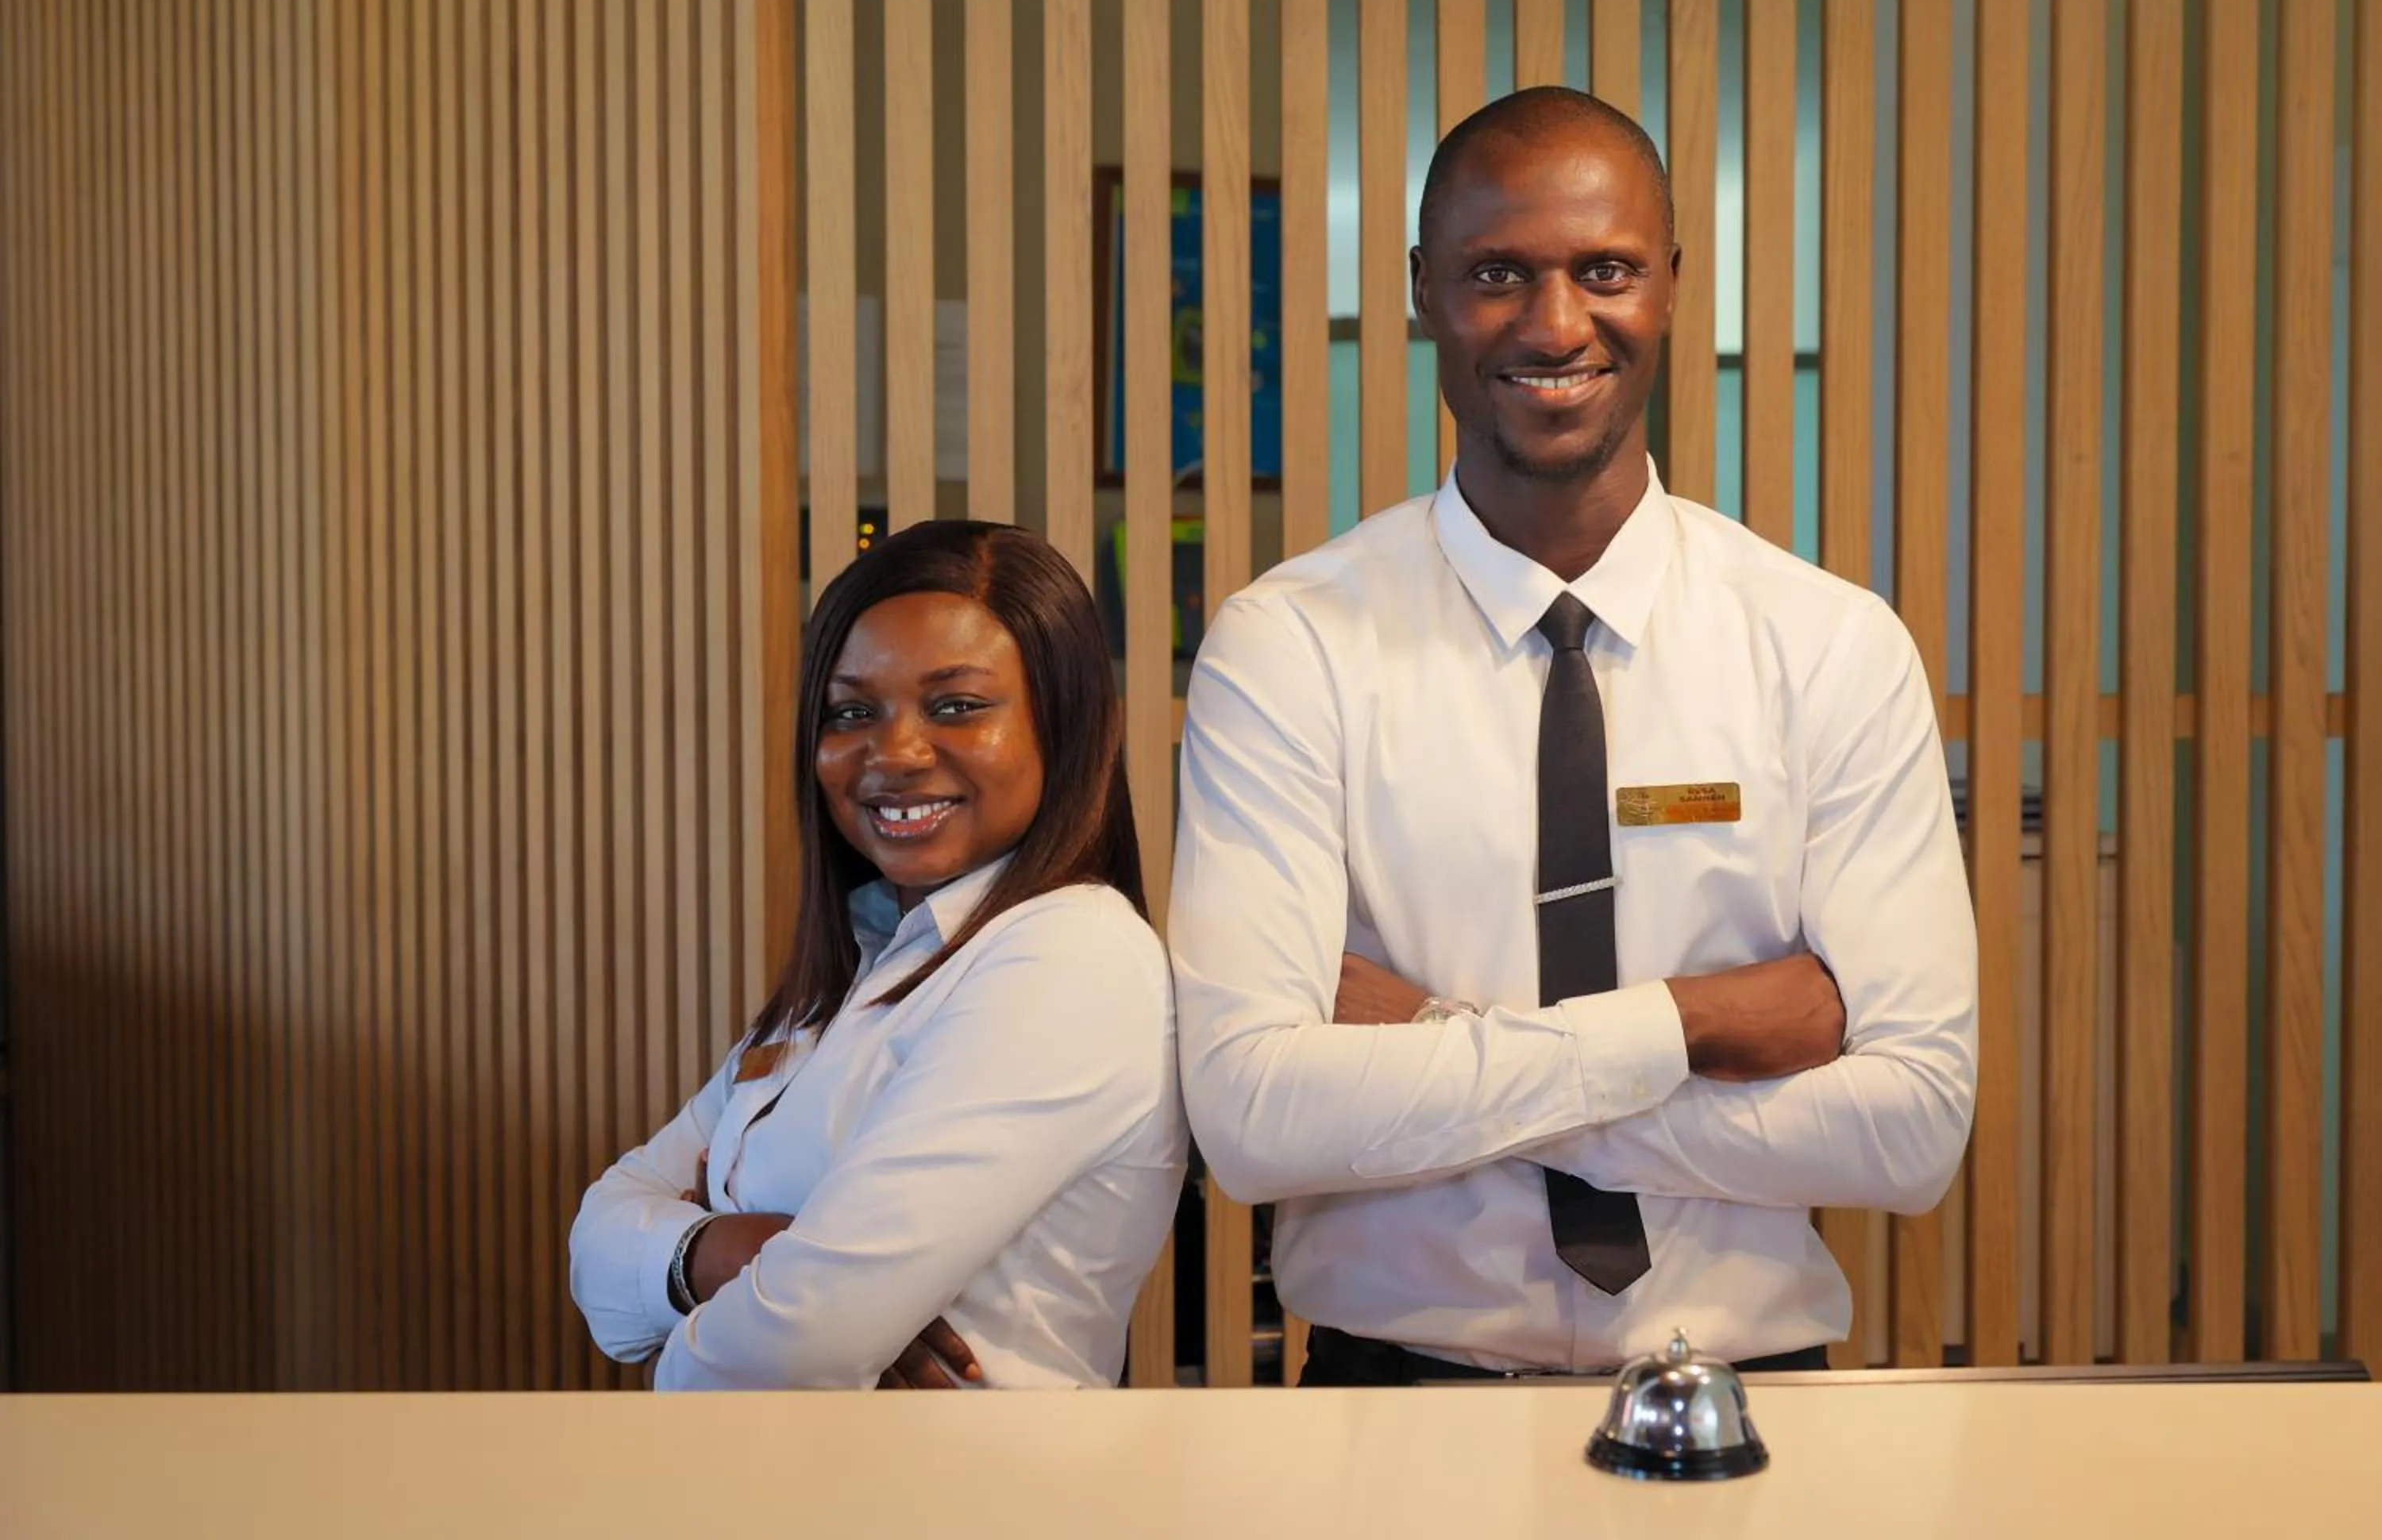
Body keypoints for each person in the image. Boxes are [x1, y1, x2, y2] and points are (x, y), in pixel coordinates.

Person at [1170, 87, 1977, 1384]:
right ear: (1424, 290)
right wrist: (1686, 1025)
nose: (1555, 324)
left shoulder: (1827, 646)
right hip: (1390, 1409)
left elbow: (1912, 1131)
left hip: (1746, 1403)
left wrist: (1443, 1039)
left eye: (1603, 270)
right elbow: (1255, 1121)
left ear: (1669, 282)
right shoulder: (1291, 650)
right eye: (1497, 273)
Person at [571, 519, 1186, 1390]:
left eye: (957, 705)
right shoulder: (855, 962)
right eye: (852, 711)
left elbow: (799, 1345)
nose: (893, 753)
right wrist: (723, 1252)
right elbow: (596, 1245)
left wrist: (734, 1298)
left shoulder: (1068, 957)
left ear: (1066, 724)